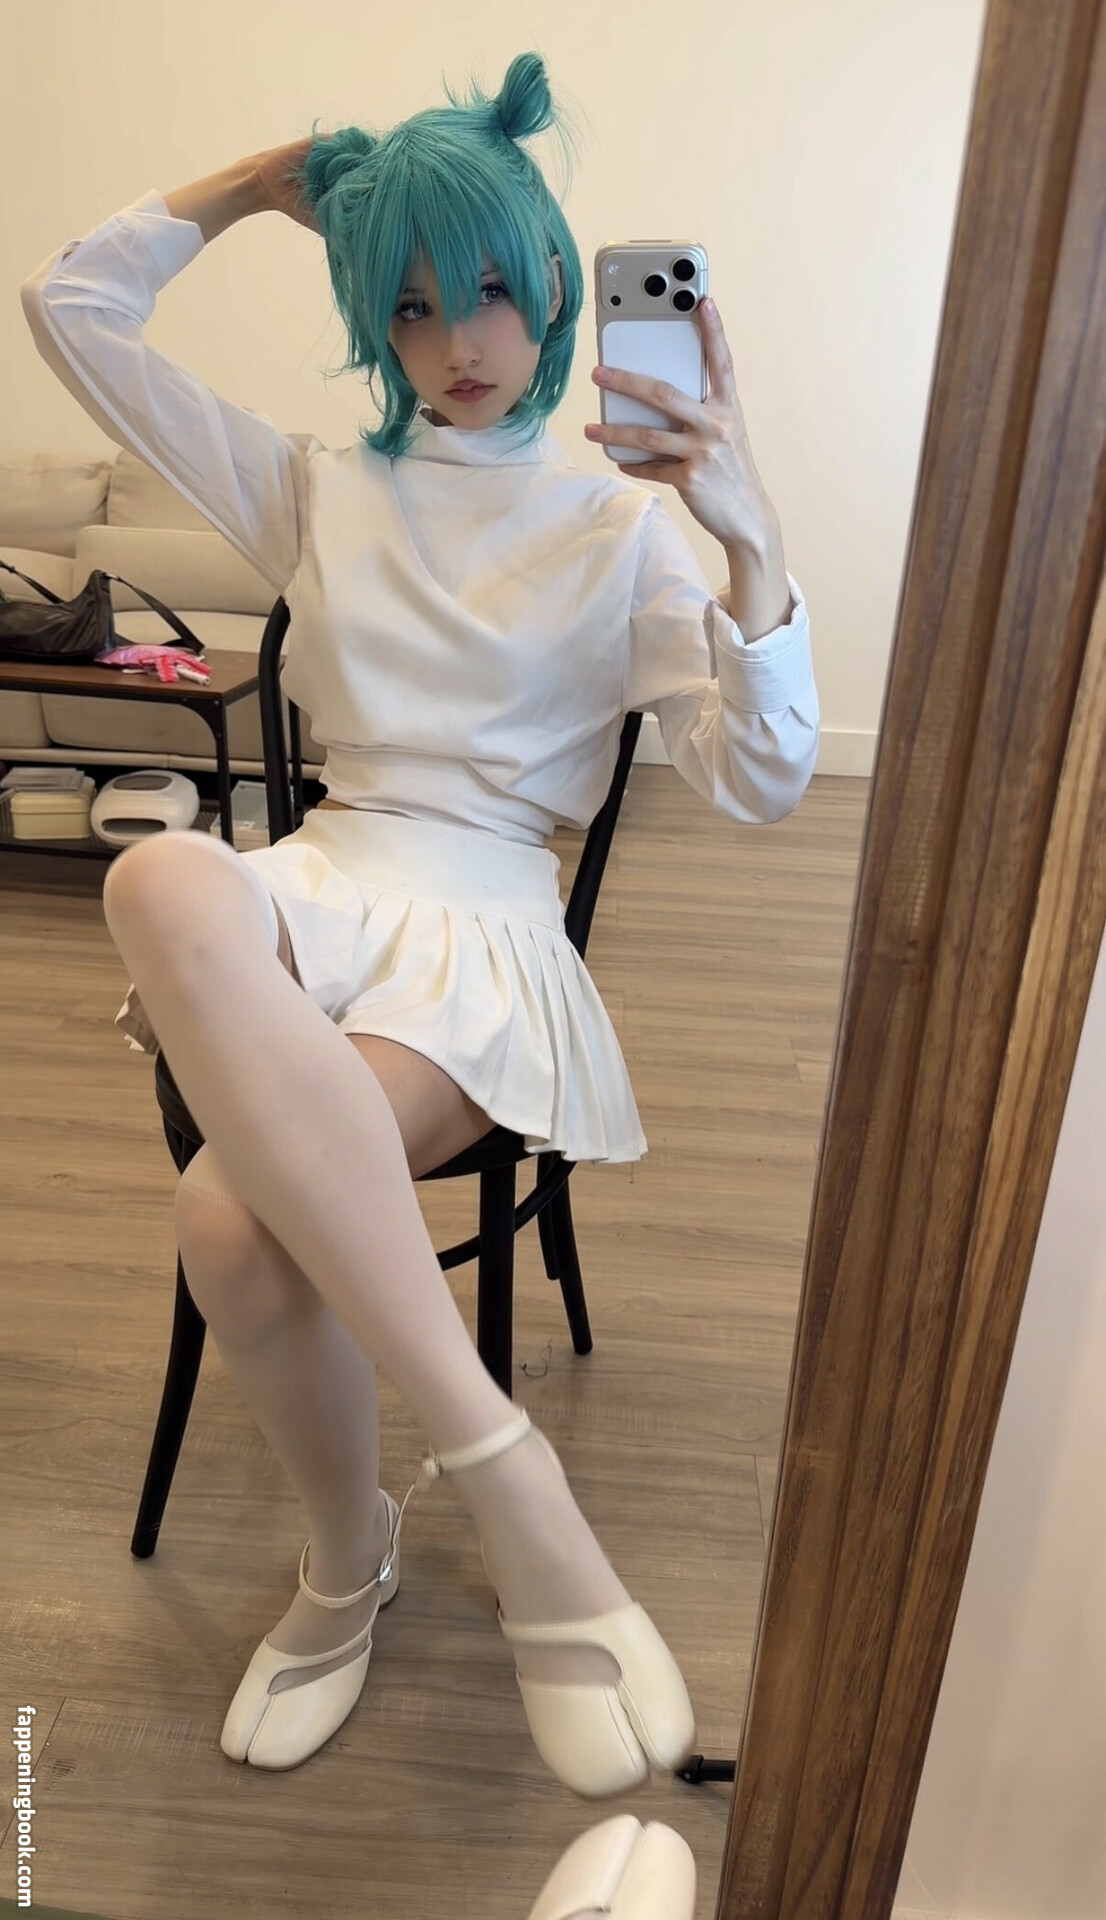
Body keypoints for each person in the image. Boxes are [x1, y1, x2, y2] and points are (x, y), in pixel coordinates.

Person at [20, 52, 818, 1791]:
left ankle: (345, 1567)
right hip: (319, 883)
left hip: (482, 920)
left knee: (228, 1221)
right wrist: (250, 184)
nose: (458, 340)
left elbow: (761, 780)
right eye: (408, 304)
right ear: (373, 326)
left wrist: (747, 537)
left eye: (488, 292)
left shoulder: (622, 527)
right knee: (157, 872)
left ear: (555, 285)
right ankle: (509, 1478)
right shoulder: (321, 488)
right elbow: (71, 313)